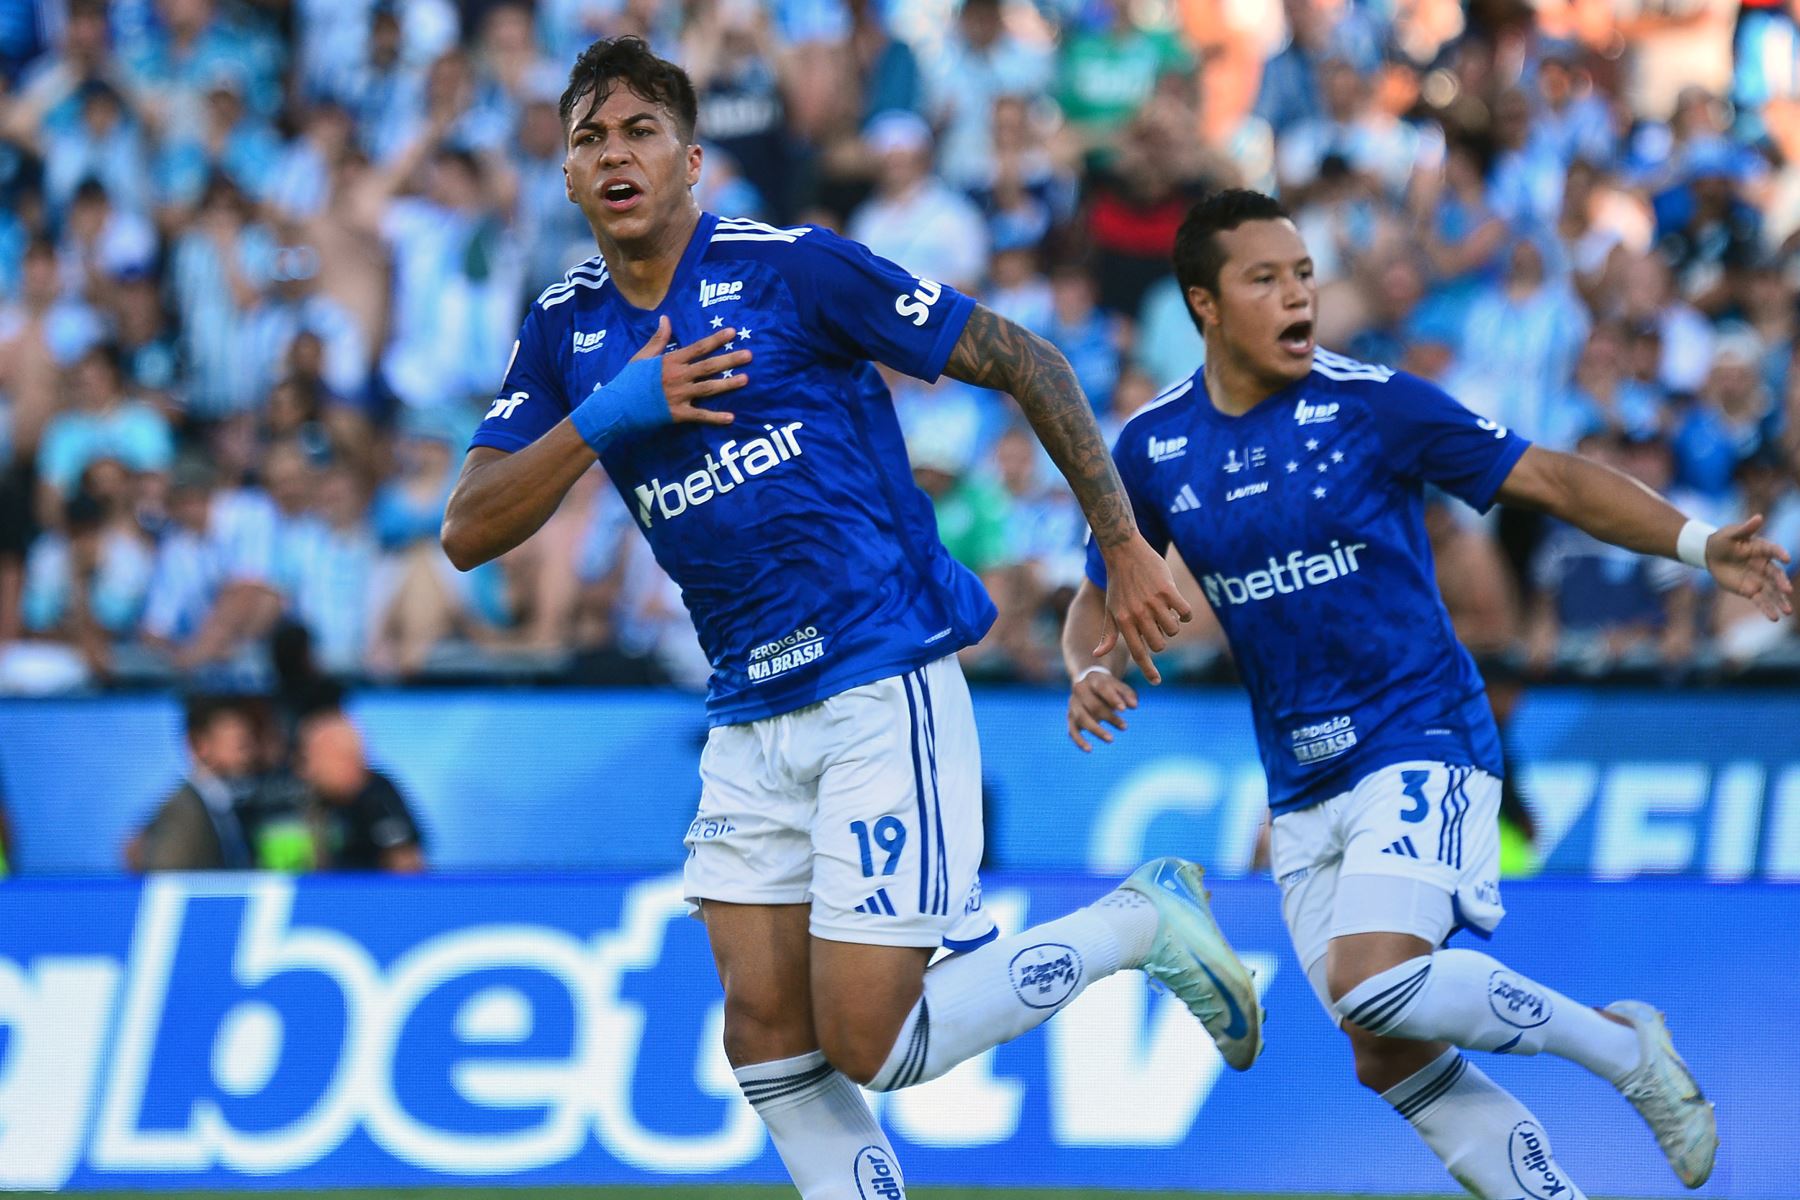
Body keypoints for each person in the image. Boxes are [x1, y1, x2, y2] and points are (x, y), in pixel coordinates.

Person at [440, 37, 1261, 1200]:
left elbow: (1023, 356)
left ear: (692, 162)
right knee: (766, 1040)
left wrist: (1123, 544)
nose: (614, 154)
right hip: (746, 709)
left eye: (640, 132)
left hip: (879, 680)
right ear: (567, 178)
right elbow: (469, 527)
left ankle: (1138, 922)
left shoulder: (794, 270)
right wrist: (613, 417)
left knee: (874, 1042)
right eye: (589, 137)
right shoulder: (565, 333)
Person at [1062, 190, 1791, 1199]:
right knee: (1382, 1047)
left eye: (1305, 273)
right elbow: (1101, 587)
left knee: (1375, 980)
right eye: (1265, 278)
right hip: (1299, 784)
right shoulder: (1153, 447)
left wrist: (1699, 543)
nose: (1297, 295)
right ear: (1204, 305)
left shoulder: (1373, 404)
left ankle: (1626, 1050)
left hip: (1422, 734)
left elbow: (1551, 479)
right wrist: (1088, 664)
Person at [128, 695, 259, 871]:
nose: (248, 755)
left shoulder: (223, 804)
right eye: (240, 745)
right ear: (199, 744)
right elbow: (166, 882)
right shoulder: (182, 810)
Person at [296, 710, 425, 871]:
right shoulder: (310, 798)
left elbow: (407, 865)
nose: (306, 770)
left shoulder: (379, 795)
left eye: (313, 758)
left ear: (342, 759)